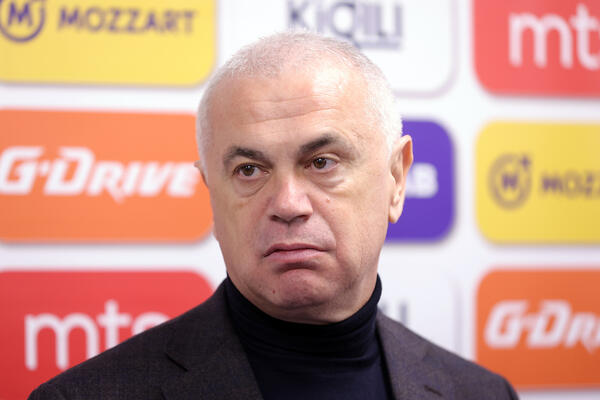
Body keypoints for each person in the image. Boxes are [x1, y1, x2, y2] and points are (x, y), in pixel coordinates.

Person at [29, 31, 518, 399]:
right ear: (211, 194)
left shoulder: (482, 393)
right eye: (249, 170)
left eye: (321, 163)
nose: (287, 204)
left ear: (396, 179)